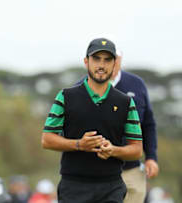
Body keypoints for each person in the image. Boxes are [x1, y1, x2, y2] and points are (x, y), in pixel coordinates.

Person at [42, 38, 143, 203]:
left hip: (111, 187)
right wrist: (79, 145)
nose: (101, 65)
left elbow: (137, 150)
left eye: (107, 60)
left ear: (114, 64)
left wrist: (113, 150)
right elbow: (47, 139)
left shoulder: (126, 102)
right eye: (96, 59)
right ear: (86, 61)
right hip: (73, 186)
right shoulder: (66, 96)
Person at [75, 50, 159, 203]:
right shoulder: (80, 87)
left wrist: (151, 157)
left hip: (131, 170)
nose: (106, 64)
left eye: (111, 59)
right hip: (94, 173)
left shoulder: (136, 84)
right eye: (100, 59)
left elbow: (148, 124)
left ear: (119, 60)